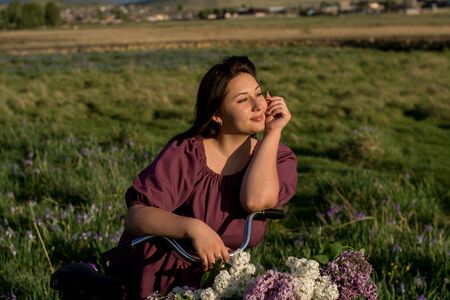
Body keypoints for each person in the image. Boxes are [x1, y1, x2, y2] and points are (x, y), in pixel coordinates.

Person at [110, 56, 298, 299]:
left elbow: (255, 201)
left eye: (259, 93)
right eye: (243, 100)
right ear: (218, 115)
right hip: (159, 279)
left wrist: (273, 133)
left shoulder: (278, 158)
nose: (258, 105)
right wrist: (193, 227)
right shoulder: (187, 153)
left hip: (224, 283)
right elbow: (136, 216)